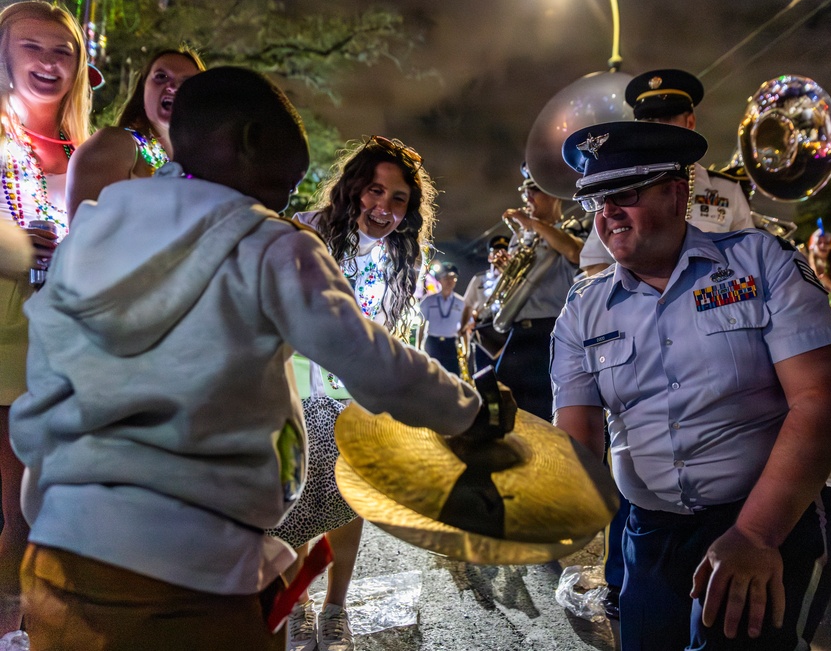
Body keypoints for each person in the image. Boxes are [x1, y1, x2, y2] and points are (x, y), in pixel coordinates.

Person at [8, 66, 486, 651]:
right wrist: (471, 414)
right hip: (187, 570)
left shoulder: (99, 223)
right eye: (292, 164)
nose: (294, 185)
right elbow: (374, 362)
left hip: (61, 552)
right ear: (252, 141)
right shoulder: (273, 244)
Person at [551, 120, 831, 650]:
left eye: (624, 192)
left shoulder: (761, 261)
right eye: (595, 201)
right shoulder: (582, 308)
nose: (607, 214)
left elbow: (822, 400)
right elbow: (578, 437)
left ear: (676, 191)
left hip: (767, 516)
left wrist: (756, 534)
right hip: (649, 537)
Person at [268, 134, 438, 651]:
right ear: (352, 188)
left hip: (356, 402)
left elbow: (396, 336)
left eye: (398, 199)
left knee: (348, 503)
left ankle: (335, 609)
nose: (382, 207)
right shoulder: (307, 233)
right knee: (290, 505)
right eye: (374, 191)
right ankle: (293, 606)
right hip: (295, 394)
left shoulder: (404, 259)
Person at [0, 0, 91, 636]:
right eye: (33, 47)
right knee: (14, 504)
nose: (49, 62)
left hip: (77, 338)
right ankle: (14, 629)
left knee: (62, 500)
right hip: (7, 332)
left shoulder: (97, 148)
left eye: (62, 51)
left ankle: (55, 626)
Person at [578, 68, 755, 276]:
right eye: (649, 122)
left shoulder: (727, 190)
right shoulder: (618, 191)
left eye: (668, 118)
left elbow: (747, 257)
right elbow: (595, 264)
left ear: (690, 122)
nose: (658, 129)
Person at [65, 47, 205, 218]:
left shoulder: (201, 162)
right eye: (161, 77)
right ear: (143, 89)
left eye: (186, 82)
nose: (173, 87)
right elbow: (87, 234)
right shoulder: (115, 143)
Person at [494, 162, 584, 419]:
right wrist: (507, 272)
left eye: (534, 190)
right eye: (525, 192)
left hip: (552, 332)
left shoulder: (573, 227)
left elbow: (575, 252)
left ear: (554, 193)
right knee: (503, 410)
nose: (527, 197)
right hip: (519, 332)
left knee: (547, 414)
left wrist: (533, 224)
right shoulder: (520, 238)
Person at [460, 234, 510, 372]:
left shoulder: (514, 279)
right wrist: (464, 328)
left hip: (506, 330)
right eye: (496, 252)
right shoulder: (479, 279)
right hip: (484, 331)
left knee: (506, 371)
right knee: (483, 371)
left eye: (504, 252)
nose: (500, 256)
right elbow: (468, 305)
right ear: (489, 256)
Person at [418, 262, 465, 376]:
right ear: (439, 279)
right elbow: (421, 325)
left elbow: (464, 329)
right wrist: (418, 347)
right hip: (433, 343)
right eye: (445, 277)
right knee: (431, 376)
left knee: (453, 377)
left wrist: (465, 349)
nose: (449, 281)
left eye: (452, 278)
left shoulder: (461, 302)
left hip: (451, 344)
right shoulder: (428, 301)